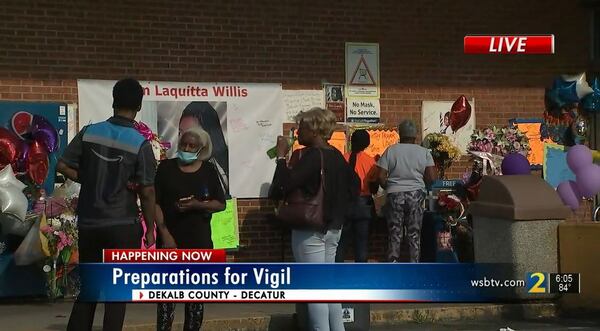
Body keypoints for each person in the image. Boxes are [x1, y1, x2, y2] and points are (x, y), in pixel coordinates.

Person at [57, 78, 157, 331]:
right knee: (116, 295)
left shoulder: (90, 133)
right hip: (123, 226)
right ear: (139, 105)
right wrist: (151, 229)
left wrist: (88, 180)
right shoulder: (140, 143)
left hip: (90, 224)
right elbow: (146, 191)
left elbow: (62, 165)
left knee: (89, 290)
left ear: (113, 101)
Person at [272, 107, 353, 331]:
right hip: (333, 226)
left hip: (310, 229)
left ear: (315, 129)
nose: (298, 131)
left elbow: (281, 186)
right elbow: (354, 187)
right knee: (328, 288)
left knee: (315, 290)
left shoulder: (312, 156)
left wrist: (280, 157)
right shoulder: (336, 155)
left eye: (302, 127)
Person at [154, 126, 226, 331]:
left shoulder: (209, 171)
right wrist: (164, 233)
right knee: (166, 299)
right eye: (183, 144)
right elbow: (155, 203)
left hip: (199, 241)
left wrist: (198, 205)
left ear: (201, 149)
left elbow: (220, 203)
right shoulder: (166, 168)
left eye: (191, 145)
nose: (186, 148)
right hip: (169, 241)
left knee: (195, 299)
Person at [377, 120, 437, 263]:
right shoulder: (424, 152)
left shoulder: (391, 150)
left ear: (400, 134)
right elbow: (432, 177)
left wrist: (389, 187)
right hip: (416, 194)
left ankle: (393, 263)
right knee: (414, 233)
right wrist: (423, 187)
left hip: (395, 194)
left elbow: (380, 176)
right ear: (415, 135)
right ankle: (414, 265)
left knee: (394, 233)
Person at [336, 130, 378, 262]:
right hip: (363, 203)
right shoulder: (370, 162)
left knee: (341, 242)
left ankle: (336, 273)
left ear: (351, 141)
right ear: (367, 144)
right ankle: (361, 274)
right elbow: (374, 187)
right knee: (362, 242)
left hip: (344, 204)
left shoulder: (342, 159)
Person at [178, 102, 229, 196]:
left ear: (209, 134)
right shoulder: (172, 167)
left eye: (191, 133)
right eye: (181, 132)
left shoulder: (219, 170)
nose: (184, 139)